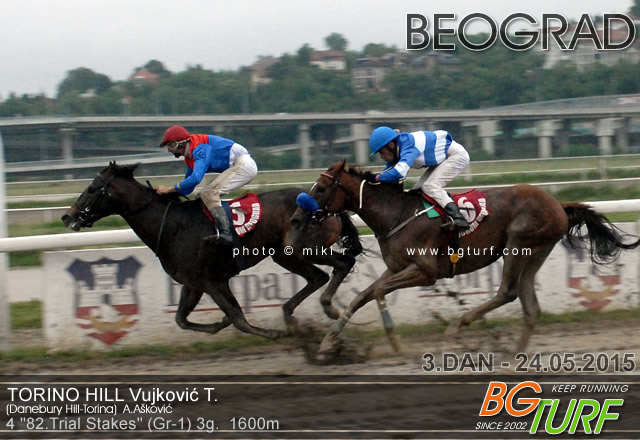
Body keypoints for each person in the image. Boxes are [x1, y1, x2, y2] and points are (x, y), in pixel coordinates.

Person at [157, 125, 258, 245]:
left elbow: (196, 178)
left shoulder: (199, 149)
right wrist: (166, 194)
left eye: (171, 145)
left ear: (181, 143)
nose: (169, 150)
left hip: (244, 165)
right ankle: (209, 229)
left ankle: (226, 232)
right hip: (238, 165)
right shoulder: (189, 157)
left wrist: (169, 189)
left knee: (209, 193)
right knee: (201, 196)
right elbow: (188, 188)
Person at [369, 126, 470, 230]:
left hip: (455, 156)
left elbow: (399, 172)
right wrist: (372, 179)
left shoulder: (409, 146)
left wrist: (375, 178)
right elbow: (386, 173)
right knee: (416, 191)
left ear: (391, 145)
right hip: (441, 159)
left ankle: (458, 218)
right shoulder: (396, 148)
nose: (382, 157)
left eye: (381, 152)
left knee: (430, 186)